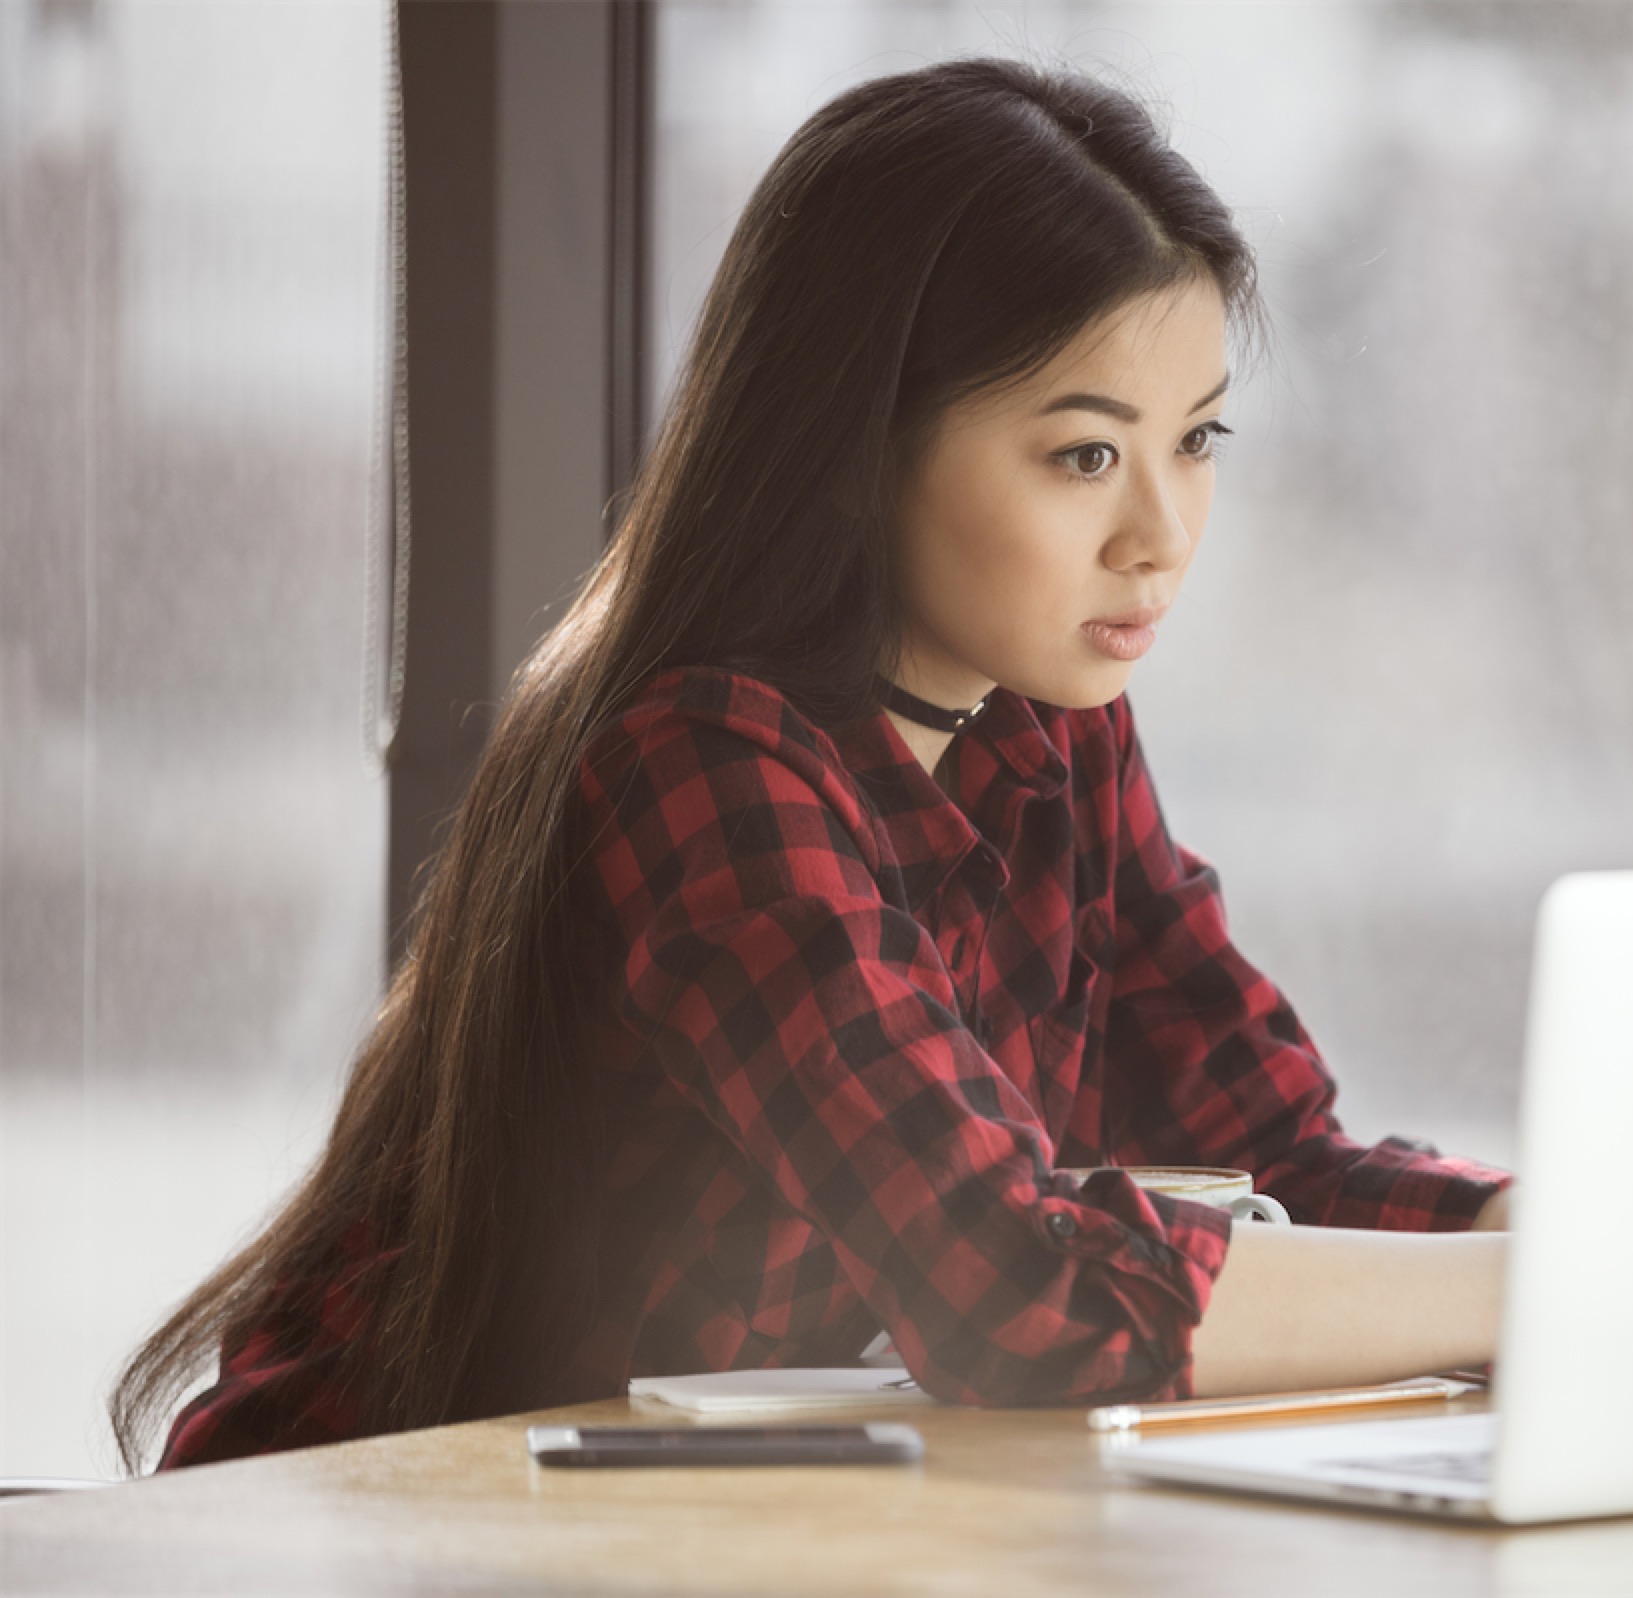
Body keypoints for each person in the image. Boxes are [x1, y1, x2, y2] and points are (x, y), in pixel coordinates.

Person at [115, 58, 1511, 1472]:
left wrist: (1588, 1241)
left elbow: (1272, 1155)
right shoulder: (702, 764)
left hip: (691, 1534)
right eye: (1085, 457)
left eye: (1197, 438)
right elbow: (1016, 1291)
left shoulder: (1056, 731)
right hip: (366, 1525)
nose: (1163, 533)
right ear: (868, 443)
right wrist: (1540, 1295)